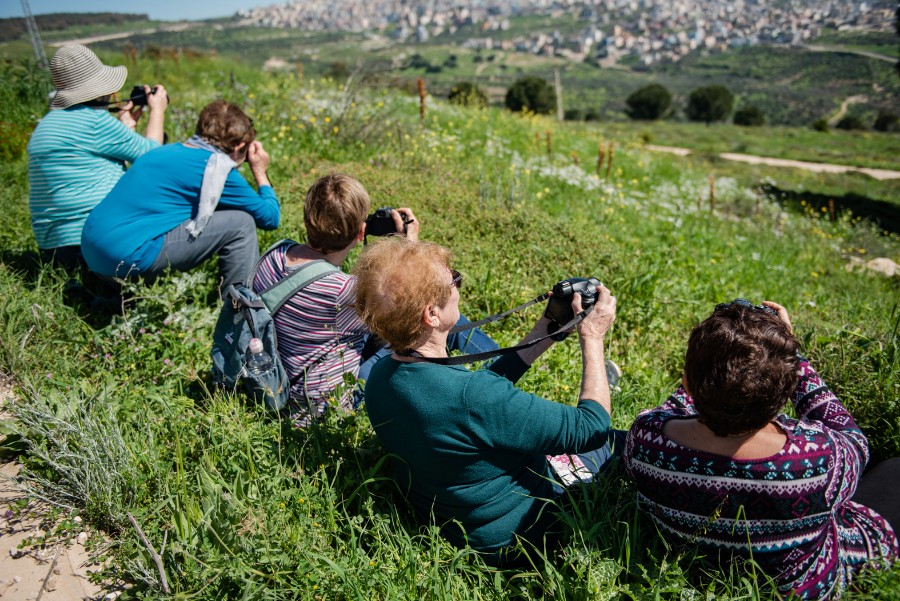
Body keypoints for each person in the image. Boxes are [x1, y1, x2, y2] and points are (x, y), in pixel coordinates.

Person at [353, 236, 623, 565]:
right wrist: (593, 336)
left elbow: (476, 399)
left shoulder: (380, 378)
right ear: (432, 314)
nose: (458, 282)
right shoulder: (474, 398)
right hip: (528, 538)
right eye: (453, 279)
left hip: (458, 530)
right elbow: (591, 428)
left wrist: (546, 328)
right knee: (626, 442)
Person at [624, 299, 898, 600]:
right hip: (794, 588)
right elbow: (855, 441)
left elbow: (674, 406)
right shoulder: (817, 459)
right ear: (784, 396)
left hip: (690, 566)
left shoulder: (645, 440)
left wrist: (711, 370)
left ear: (687, 382)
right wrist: (795, 360)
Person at [251, 174, 497, 426]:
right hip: (329, 403)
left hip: (280, 379)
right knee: (435, 315)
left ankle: (493, 369)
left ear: (306, 220)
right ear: (361, 232)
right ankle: (500, 370)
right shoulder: (342, 292)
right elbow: (412, 302)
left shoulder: (275, 253)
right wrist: (410, 247)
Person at [81, 100, 279, 291]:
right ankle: (239, 311)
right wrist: (260, 171)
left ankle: (112, 296)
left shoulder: (161, 151)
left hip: (92, 251)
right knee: (241, 223)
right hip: (127, 257)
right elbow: (270, 217)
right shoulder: (216, 169)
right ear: (238, 147)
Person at [27, 43, 167, 269]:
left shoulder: (46, 124)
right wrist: (158, 110)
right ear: (98, 89)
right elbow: (152, 157)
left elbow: (89, 162)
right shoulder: (95, 122)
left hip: (54, 249)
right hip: (93, 242)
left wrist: (125, 128)